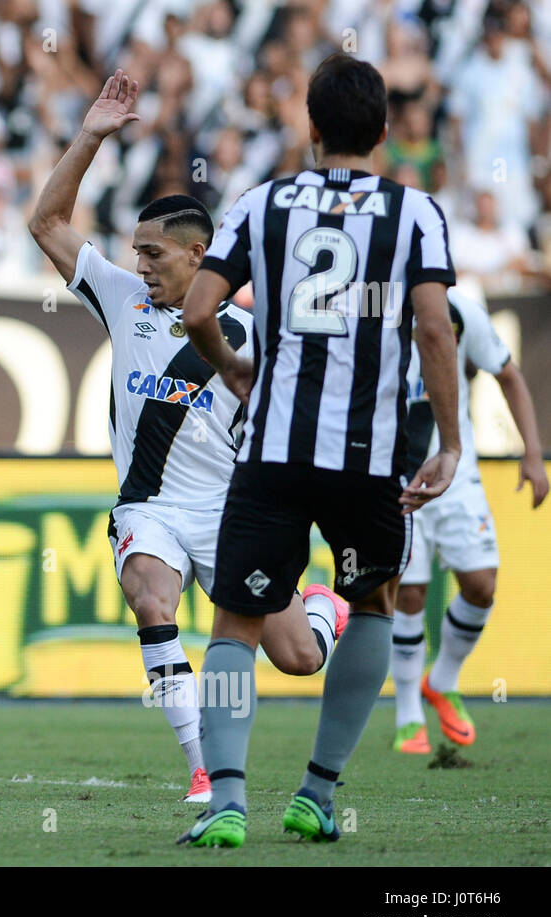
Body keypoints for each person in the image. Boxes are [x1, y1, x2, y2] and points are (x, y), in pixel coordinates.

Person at [29, 72, 347, 805]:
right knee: (150, 597)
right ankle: (205, 767)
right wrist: (91, 137)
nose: (138, 267)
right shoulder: (120, 297)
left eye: (153, 255)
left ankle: (326, 608)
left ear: (198, 255)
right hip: (151, 507)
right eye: (136, 253)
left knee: (299, 658)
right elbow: (46, 223)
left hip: (230, 513)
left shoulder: (253, 335)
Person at [176, 53, 462, 848]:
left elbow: (201, 308)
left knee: (235, 623)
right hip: (369, 458)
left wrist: (234, 367)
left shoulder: (261, 202)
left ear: (310, 127)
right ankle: (316, 792)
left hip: (272, 451)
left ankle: (228, 802)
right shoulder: (416, 213)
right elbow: (435, 328)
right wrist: (449, 441)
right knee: (370, 603)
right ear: (383, 130)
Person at [391, 290, 548, 754]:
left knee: (481, 585)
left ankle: (441, 681)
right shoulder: (371, 307)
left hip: (455, 473)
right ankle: (407, 715)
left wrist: (533, 454)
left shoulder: (459, 310)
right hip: (394, 474)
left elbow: (509, 375)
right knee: (410, 590)